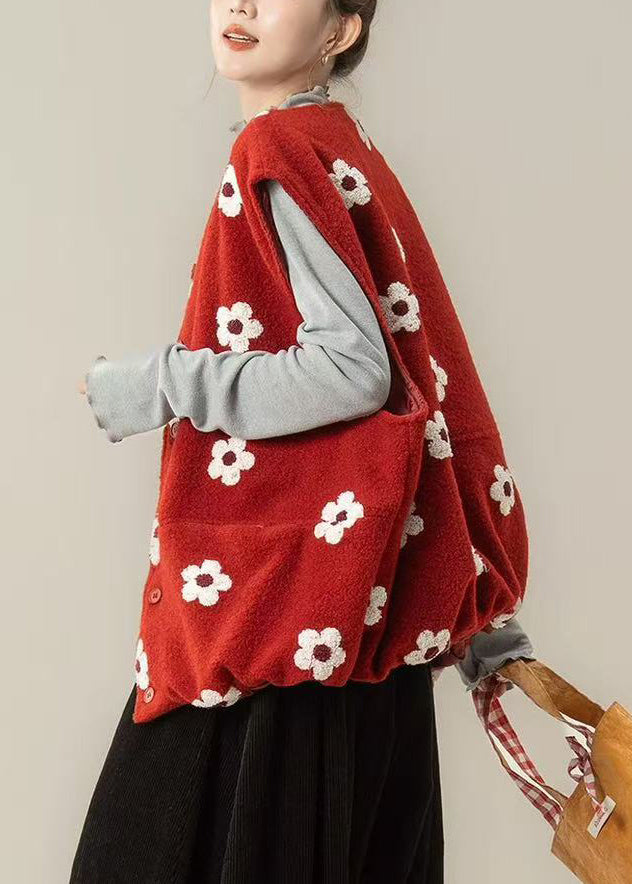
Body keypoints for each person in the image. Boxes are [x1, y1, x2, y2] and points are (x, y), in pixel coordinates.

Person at [73, 1, 536, 881]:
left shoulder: (278, 148)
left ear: (340, 30)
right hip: (359, 643)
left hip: (276, 639)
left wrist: (160, 383)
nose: (241, 4)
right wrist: (474, 596)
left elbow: (354, 371)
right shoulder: (340, 144)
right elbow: (431, 376)